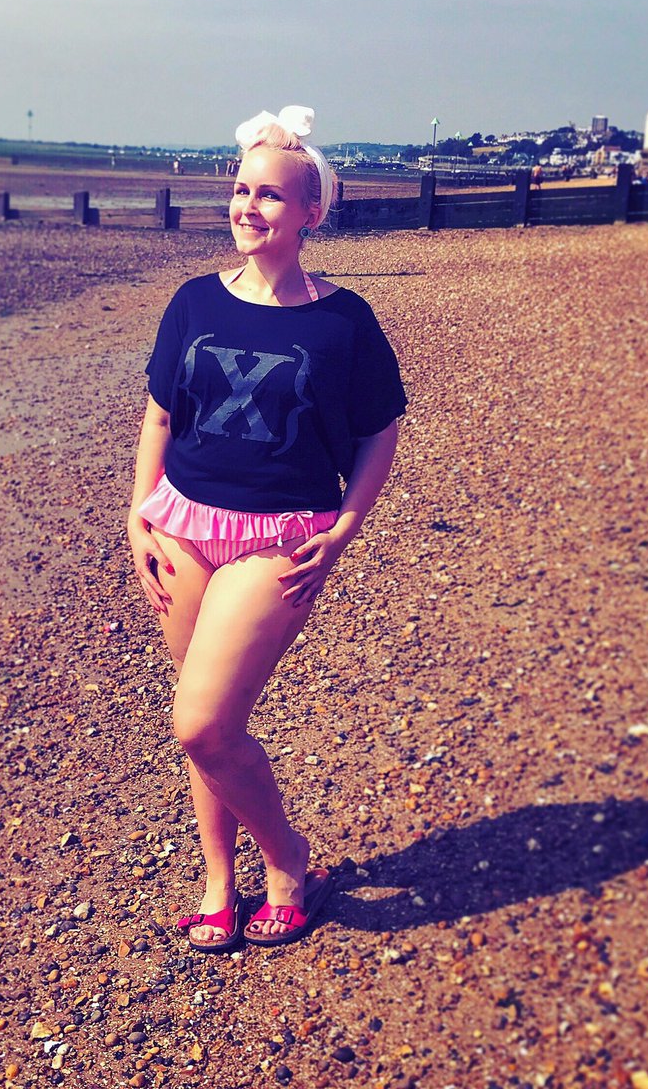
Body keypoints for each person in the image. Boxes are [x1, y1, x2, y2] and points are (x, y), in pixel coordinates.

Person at [127, 106, 406, 951]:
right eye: (242, 190)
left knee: (201, 722)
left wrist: (346, 527)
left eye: (271, 195)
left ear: (312, 211)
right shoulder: (192, 301)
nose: (249, 206)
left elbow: (380, 430)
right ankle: (219, 883)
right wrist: (137, 515)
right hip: (181, 523)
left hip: (280, 535)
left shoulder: (344, 321)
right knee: (204, 727)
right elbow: (160, 415)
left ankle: (287, 860)